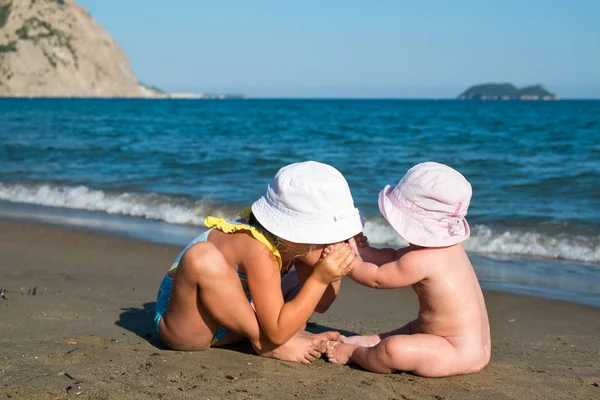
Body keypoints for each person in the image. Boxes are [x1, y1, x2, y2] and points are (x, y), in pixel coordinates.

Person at [155, 161, 364, 364]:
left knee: (299, 285)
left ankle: (273, 337)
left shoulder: (294, 246)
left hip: (234, 324)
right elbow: (277, 329)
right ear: (298, 235)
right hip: (191, 326)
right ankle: (267, 344)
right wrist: (319, 279)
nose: (338, 243)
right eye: (334, 237)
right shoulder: (258, 248)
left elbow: (321, 303)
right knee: (201, 257)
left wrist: (332, 272)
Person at [326, 162, 491, 376]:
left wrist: (345, 260)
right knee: (415, 328)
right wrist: (362, 250)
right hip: (468, 344)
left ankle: (355, 353)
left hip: (454, 351)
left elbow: (378, 278)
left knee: (393, 349)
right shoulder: (447, 250)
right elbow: (392, 258)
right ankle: (371, 341)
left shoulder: (423, 260)